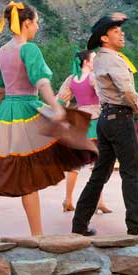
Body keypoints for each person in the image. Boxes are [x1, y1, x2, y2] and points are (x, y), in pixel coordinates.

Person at [0, 2, 97, 239]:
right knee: (27, 173)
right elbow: (41, 82)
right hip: (26, 112)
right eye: (36, 22)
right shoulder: (28, 49)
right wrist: (54, 107)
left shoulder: (2, 51)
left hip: (4, 114)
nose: (37, 27)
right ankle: (37, 235)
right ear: (27, 23)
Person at [72, 13, 138, 236]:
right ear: (104, 38)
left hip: (106, 119)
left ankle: (80, 223)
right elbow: (127, 90)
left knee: (100, 174)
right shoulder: (112, 59)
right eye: (116, 31)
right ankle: (136, 227)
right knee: (133, 173)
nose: (121, 33)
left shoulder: (102, 58)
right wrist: (136, 108)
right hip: (120, 118)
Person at [56, 50, 110, 214]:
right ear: (86, 62)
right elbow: (104, 94)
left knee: (76, 164)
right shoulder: (93, 77)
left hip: (79, 122)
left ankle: (68, 200)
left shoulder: (71, 79)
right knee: (98, 164)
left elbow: (60, 100)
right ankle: (98, 201)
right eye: (93, 58)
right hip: (94, 121)